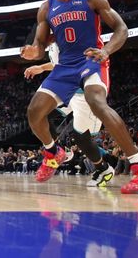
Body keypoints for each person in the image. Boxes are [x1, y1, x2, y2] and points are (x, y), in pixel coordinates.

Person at [20, 0, 138, 194]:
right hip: (64, 66)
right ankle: (53, 152)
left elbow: (121, 29)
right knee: (34, 112)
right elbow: (40, 44)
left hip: (90, 60)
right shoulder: (46, 8)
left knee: (97, 103)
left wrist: (105, 51)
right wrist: (34, 52)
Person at [24, 39, 115, 188]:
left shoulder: (71, 33)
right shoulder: (54, 39)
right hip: (67, 89)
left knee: (81, 139)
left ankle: (104, 169)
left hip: (84, 93)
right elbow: (60, 64)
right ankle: (58, 151)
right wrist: (41, 67)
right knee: (40, 113)